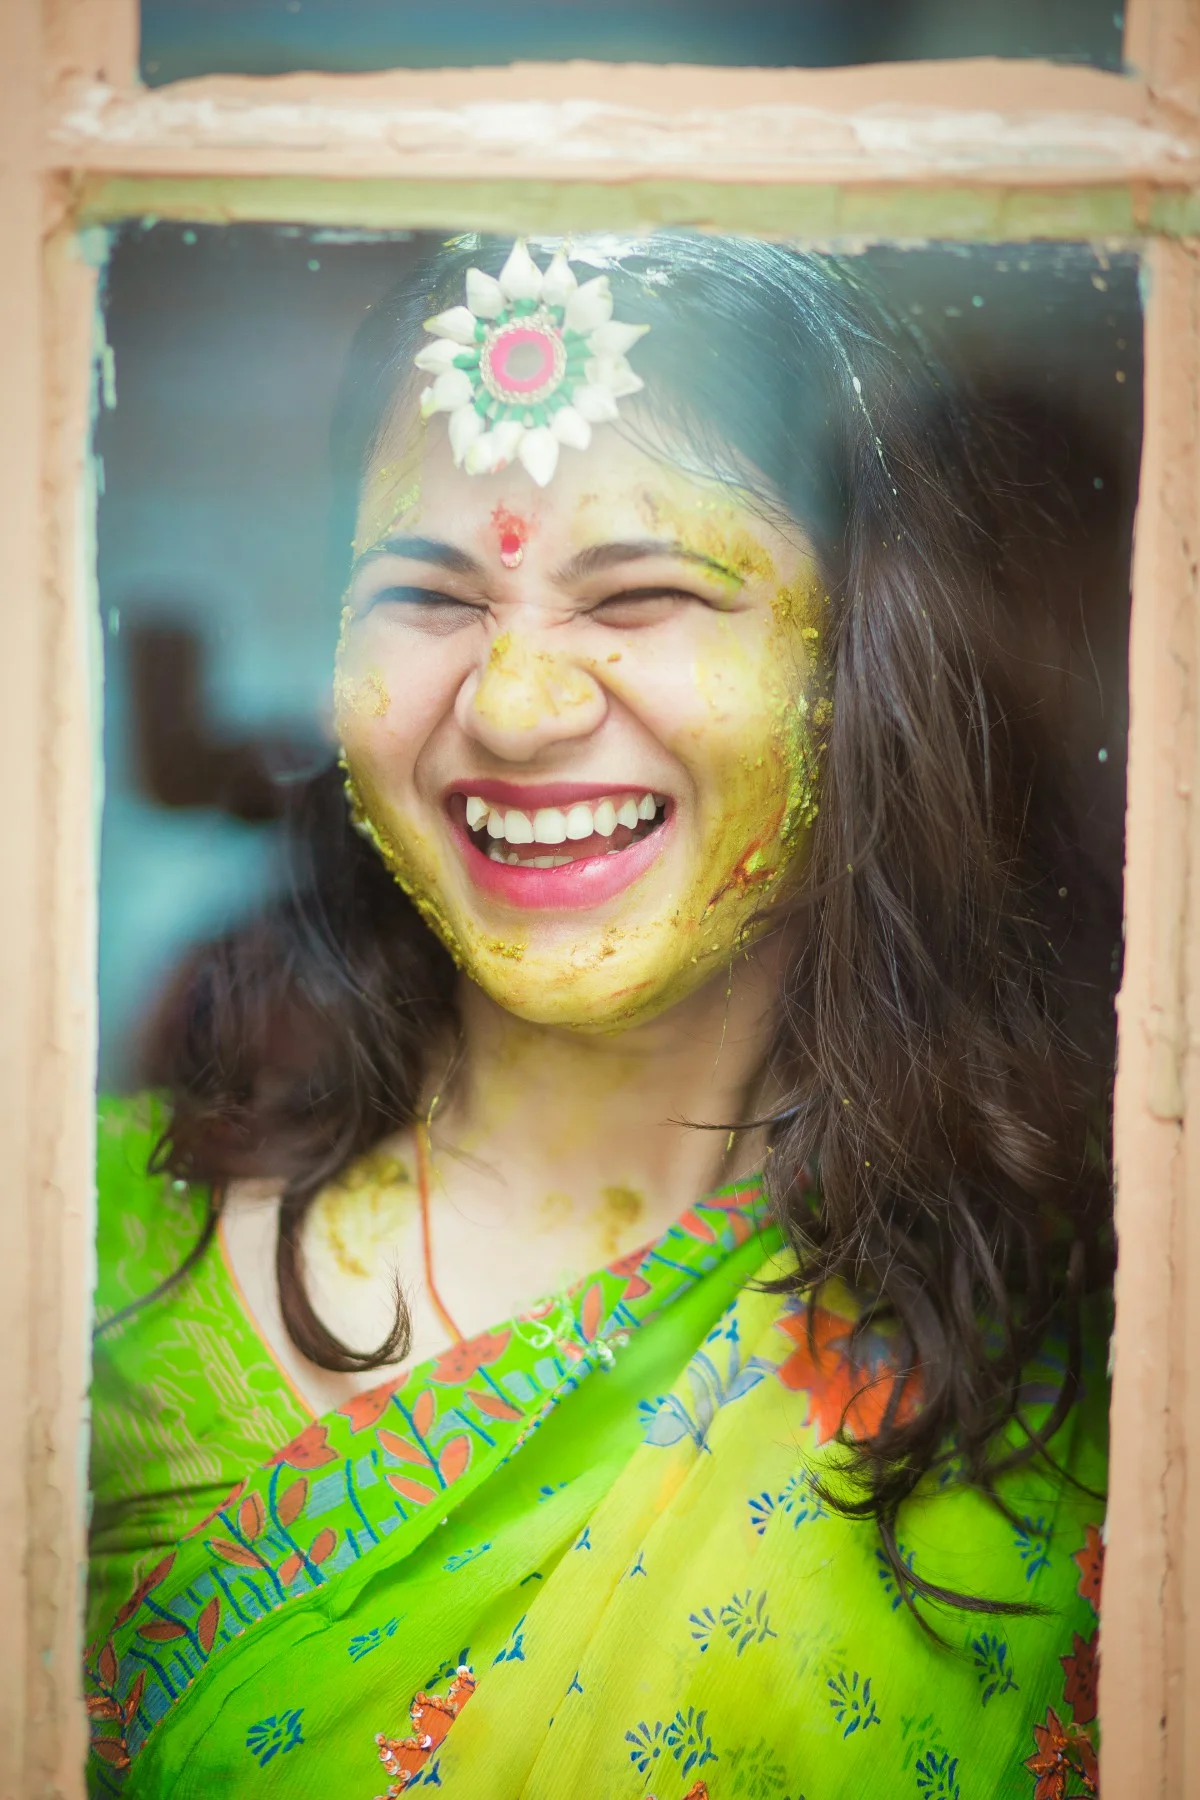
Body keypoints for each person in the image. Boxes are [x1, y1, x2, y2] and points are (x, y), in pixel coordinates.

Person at [86, 234, 1113, 1799]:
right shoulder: (77, 1262)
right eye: (424, 597)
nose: (513, 706)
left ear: (864, 665)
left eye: (643, 594)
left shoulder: (1099, 1361)